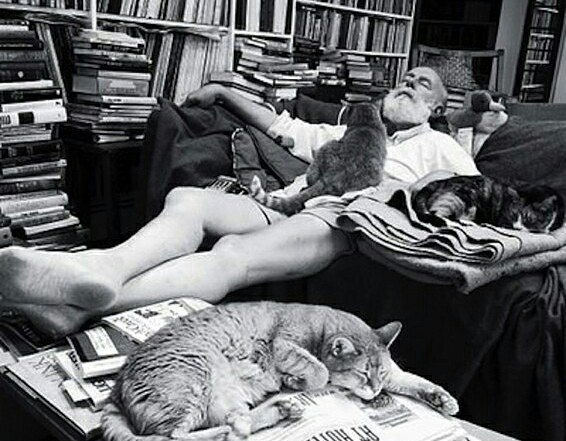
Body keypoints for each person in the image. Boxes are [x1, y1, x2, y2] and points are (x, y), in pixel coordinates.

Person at [0, 67, 480, 336]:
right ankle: (104, 269)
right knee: (188, 198)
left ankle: (82, 308)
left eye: (421, 83)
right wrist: (224, 93)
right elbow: (282, 127)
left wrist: (421, 188)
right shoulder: (351, 130)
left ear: (438, 108)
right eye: (403, 79)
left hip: (343, 219)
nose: (406, 84)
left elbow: (476, 197)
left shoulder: (441, 146)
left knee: (232, 254)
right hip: (290, 203)